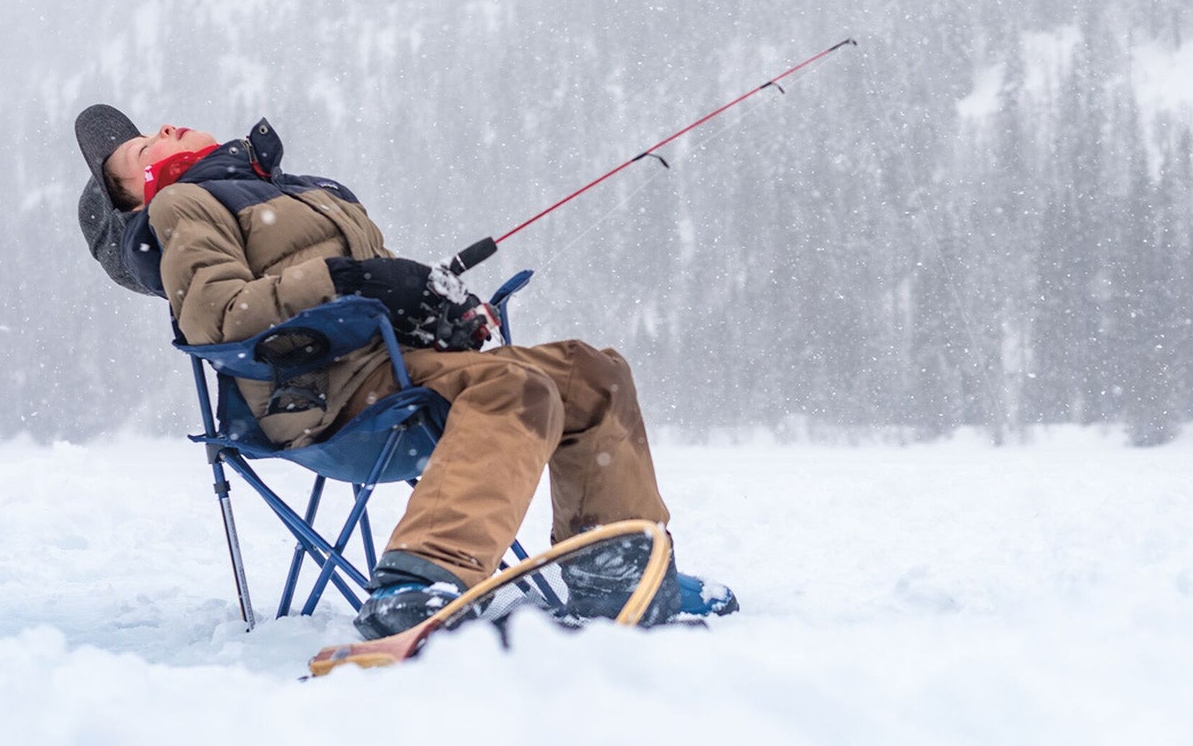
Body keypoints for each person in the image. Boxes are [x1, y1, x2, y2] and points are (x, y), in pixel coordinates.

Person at [74, 104, 730, 636]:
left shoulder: (308, 191)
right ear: (137, 194)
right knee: (516, 385)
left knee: (591, 370)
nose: (160, 129)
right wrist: (345, 276)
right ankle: (421, 576)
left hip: (389, 372)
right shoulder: (180, 207)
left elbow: (381, 282)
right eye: (139, 151)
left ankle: (612, 564)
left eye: (154, 125)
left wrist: (435, 311)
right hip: (318, 397)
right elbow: (217, 318)